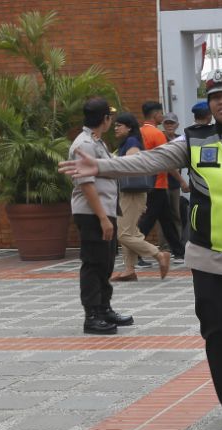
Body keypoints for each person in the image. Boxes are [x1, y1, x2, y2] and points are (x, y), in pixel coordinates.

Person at [59, 69, 222, 430]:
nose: (221, 102)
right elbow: (148, 161)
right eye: (214, 96)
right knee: (219, 332)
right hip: (208, 257)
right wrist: (102, 167)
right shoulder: (194, 140)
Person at [68, 98, 134, 334]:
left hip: (104, 211)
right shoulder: (84, 144)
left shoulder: (96, 142)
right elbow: (86, 184)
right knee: (94, 264)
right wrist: (103, 218)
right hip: (92, 213)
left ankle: (104, 308)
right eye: (110, 117)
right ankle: (92, 315)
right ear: (104, 119)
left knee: (105, 263)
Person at [110, 112, 171, 282]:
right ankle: (129, 269)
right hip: (128, 192)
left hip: (133, 193)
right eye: (115, 125)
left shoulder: (132, 142)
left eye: (119, 125)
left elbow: (131, 166)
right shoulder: (127, 142)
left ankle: (159, 255)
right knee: (129, 231)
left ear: (129, 128)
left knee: (123, 234)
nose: (115, 128)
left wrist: (111, 163)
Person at [137, 101, 185, 265]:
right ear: (155, 114)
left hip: (148, 183)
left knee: (167, 220)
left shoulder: (138, 132)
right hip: (157, 184)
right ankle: (135, 251)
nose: (162, 117)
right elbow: (168, 162)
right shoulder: (157, 135)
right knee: (148, 220)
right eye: (161, 113)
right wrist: (182, 181)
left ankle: (179, 252)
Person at [160, 112, 188, 245]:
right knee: (162, 215)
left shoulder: (181, 139)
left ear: (177, 125)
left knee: (176, 214)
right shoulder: (160, 138)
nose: (169, 125)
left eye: (172, 123)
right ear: (163, 124)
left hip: (175, 184)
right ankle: (164, 244)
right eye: (167, 123)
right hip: (162, 182)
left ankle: (178, 242)